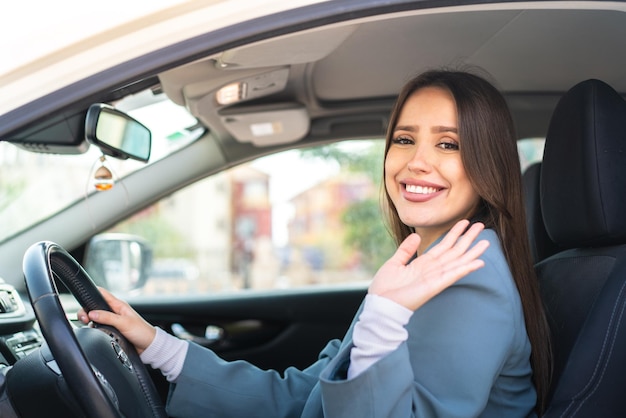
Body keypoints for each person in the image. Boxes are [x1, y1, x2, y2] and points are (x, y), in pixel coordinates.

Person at [79, 69, 551, 417]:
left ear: (487, 163)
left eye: (448, 144)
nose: (416, 162)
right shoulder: (426, 264)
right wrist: (158, 347)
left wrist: (384, 319)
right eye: (404, 139)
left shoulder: (472, 271)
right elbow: (308, 395)